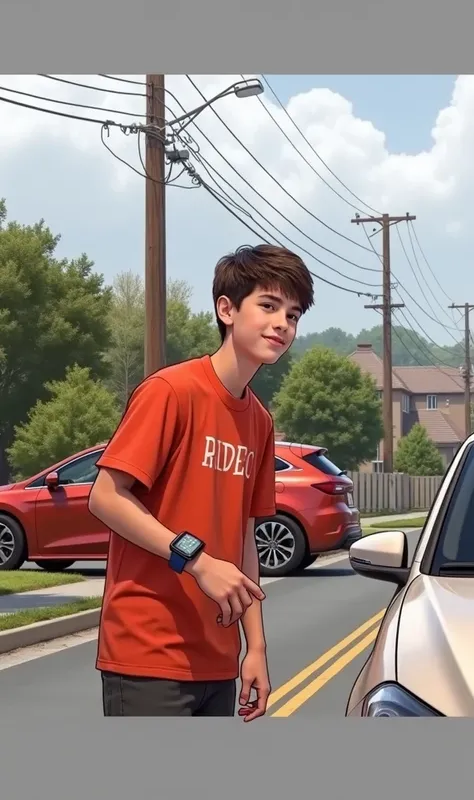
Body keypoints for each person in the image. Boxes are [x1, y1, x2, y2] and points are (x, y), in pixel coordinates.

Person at [88, 243, 314, 718]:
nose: (282, 325)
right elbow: (106, 497)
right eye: (269, 306)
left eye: (292, 315)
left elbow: (245, 539)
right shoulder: (171, 391)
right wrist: (196, 561)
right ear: (226, 309)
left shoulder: (259, 421)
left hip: (218, 660)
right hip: (149, 655)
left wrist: (255, 647)